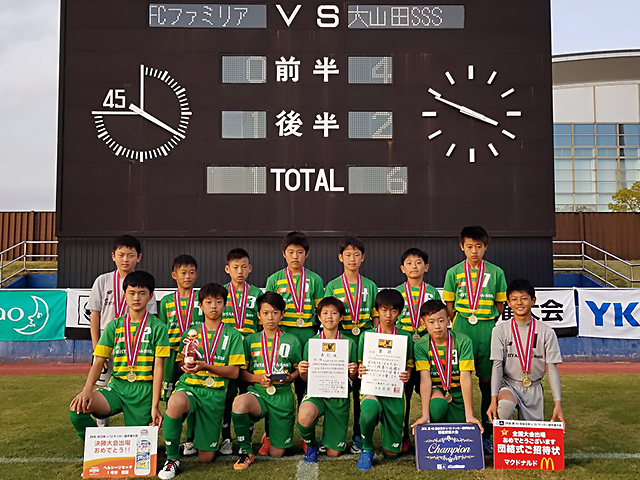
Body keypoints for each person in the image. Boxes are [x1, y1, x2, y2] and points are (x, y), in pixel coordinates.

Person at [158, 283, 246, 479]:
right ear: (200, 305)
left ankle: (200, 438)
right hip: (190, 387)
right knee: (175, 402)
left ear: (225, 305)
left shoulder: (232, 335)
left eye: (218, 302)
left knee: (206, 458)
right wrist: (186, 366)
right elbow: (181, 364)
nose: (213, 306)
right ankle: (172, 459)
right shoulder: (191, 333)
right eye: (208, 302)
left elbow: (234, 373)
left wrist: (206, 366)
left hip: (214, 393)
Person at [69, 271, 169, 440]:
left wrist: (154, 406)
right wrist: (87, 390)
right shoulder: (113, 326)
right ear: (124, 295)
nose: (136, 298)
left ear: (151, 296)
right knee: (77, 408)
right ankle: (95, 445)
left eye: (142, 293)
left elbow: (158, 368)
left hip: (143, 392)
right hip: (117, 387)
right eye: (132, 293)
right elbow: (98, 362)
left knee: (137, 447)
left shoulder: (159, 328)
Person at [442, 225, 507, 453]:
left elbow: (500, 305)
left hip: (487, 327)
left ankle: (488, 432)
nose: (474, 251)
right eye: (469, 246)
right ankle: (460, 427)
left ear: (485, 247)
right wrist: (458, 322)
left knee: (488, 381)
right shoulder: (453, 273)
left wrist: (486, 320)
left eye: (479, 247)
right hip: (461, 328)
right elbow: (449, 305)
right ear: (462, 247)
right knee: (459, 378)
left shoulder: (496, 273)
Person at [86, 235, 157, 425]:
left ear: (139, 257)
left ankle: (137, 427)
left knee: (136, 388)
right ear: (113, 256)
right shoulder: (102, 281)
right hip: (107, 345)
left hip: (134, 348)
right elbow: (95, 315)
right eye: (121, 255)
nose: (125, 259)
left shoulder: (143, 283)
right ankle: (102, 431)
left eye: (130, 255)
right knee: (102, 388)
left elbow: (149, 319)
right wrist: (97, 349)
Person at [264, 232, 323, 453]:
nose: (295, 256)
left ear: (306, 254)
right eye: (291, 252)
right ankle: (269, 435)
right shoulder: (274, 279)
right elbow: (268, 310)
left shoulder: (315, 280)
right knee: (276, 386)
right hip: (282, 338)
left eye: (299, 252)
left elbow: (320, 313)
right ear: (284, 254)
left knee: (306, 387)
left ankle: (307, 434)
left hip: (307, 336)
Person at [231, 292, 302, 470]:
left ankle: (269, 437)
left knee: (277, 453)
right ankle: (246, 451)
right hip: (259, 393)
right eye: (266, 313)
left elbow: (298, 369)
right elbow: (241, 373)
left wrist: (291, 377)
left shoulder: (291, 340)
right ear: (258, 315)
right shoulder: (250, 340)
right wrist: (258, 379)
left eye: (275, 313)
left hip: (282, 395)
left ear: (282, 315)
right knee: (240, 403)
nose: (270, 317)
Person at [324, 236, 379, 453]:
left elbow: (375, 318)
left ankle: (359, 434)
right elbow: (327, 317)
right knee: (336, 387)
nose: (352, 259)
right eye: (348, 255)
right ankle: (333, 433)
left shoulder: (370, 286)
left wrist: (374, 343)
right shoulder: (333, 286)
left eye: (356, 254)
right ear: (340, 257)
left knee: (362, 387)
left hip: (364, 339)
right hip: (341, 341)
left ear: (363, 257)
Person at [487, 279, 565, 428]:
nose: (519, 303)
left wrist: (558, 403)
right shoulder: (500, 330)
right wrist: (493, 398)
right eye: (514, 299)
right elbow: (497, 366)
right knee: (505, 407)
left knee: (532, 434)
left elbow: (552, 369)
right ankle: (506, 442)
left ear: (533, 301)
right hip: (509, 384)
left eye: (524, 298)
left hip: (533, 387)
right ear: (508, 303)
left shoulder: (547, 332)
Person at [356, 289, 413, 470]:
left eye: (393, 311)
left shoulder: (405, 337)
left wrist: (408, 373)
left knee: (392, 454)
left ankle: (392, 438)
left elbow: (409, 364)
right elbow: (361, 364)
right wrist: (360, 370)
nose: (388, 315)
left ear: (399, 312)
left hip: (394, 392)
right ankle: (367, 448)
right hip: (372, 388)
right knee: (368, 411)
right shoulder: (366, 336)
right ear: (377, 310)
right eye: (384, 310)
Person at [297, 297, 359, 463]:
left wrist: (353, 372)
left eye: (334, 313)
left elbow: (353, 378)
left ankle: (328, 440)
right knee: (305, 415)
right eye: (325, 313)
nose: (329, 317)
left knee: (333, 453)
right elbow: (305, 378)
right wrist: (302, 371)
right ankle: (311, 445)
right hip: (317, 394)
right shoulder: (312, 343)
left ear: (341, 317)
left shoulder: (349, 343)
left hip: (338, 396)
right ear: (318, 316)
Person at [394, 247, 441, 452]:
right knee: (402, 394)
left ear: (426, 267)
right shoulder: (397, 292)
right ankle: (403, 434)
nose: (414, 266)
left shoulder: (432, 292)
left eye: (419, 262)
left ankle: (432, 430)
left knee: (429, 390)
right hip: (402, 347)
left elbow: (438, 320)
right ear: (402, 268)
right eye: (409, 263)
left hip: (426, 347)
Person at [411, 300, 483, 432]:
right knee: (437, 406)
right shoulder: (421, 345)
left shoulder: (463, 341)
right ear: (423, 324)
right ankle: (433, 425)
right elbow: (425, 379)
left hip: (457, 391)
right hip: (435, 390)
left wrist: (469, 414)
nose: (437, 326)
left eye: (441, 321)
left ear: (449, 321)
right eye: (431, 322)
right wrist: (425, 415)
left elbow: (465, 377)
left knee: (460, 432)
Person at [157, 254, 204, 457]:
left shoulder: (201, 299)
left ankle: (190, 440)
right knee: (170, 397)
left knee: (193, 392)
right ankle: (173, 438)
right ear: (174, 275)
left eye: (191, 272)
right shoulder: (166, 302)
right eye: (183, 272)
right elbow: (162, 329)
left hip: (195, 355)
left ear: (196, 274)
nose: (187, 276)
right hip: (171, 354)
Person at [220, 248, 263, 455]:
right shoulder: (221, 293)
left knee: (248, 391)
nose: (240, 271)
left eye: (244, 267)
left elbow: (261, 325)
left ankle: (248, 435)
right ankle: (226, 437)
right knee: (228, 394)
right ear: (227, 269)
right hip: (227, 350)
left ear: (250, 268)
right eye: (235, 267)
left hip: (250, 350)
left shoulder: (257, 294)